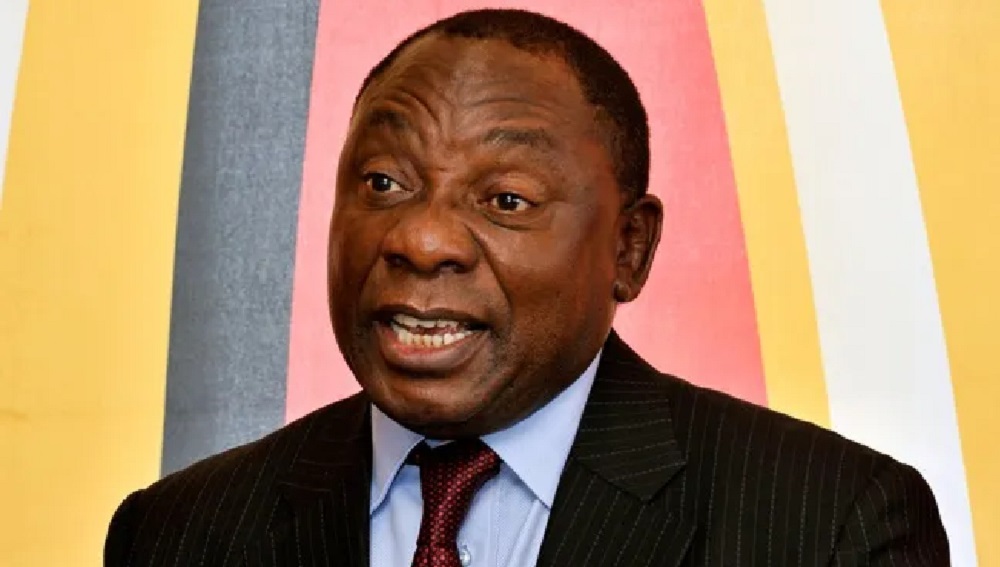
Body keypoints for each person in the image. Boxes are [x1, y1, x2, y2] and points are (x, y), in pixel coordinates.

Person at [104, 8, 949, 566]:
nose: (420, 238)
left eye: (505, 199)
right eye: (384, 183)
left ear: (629, 248)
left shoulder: (829, 523)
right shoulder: (180, 532)